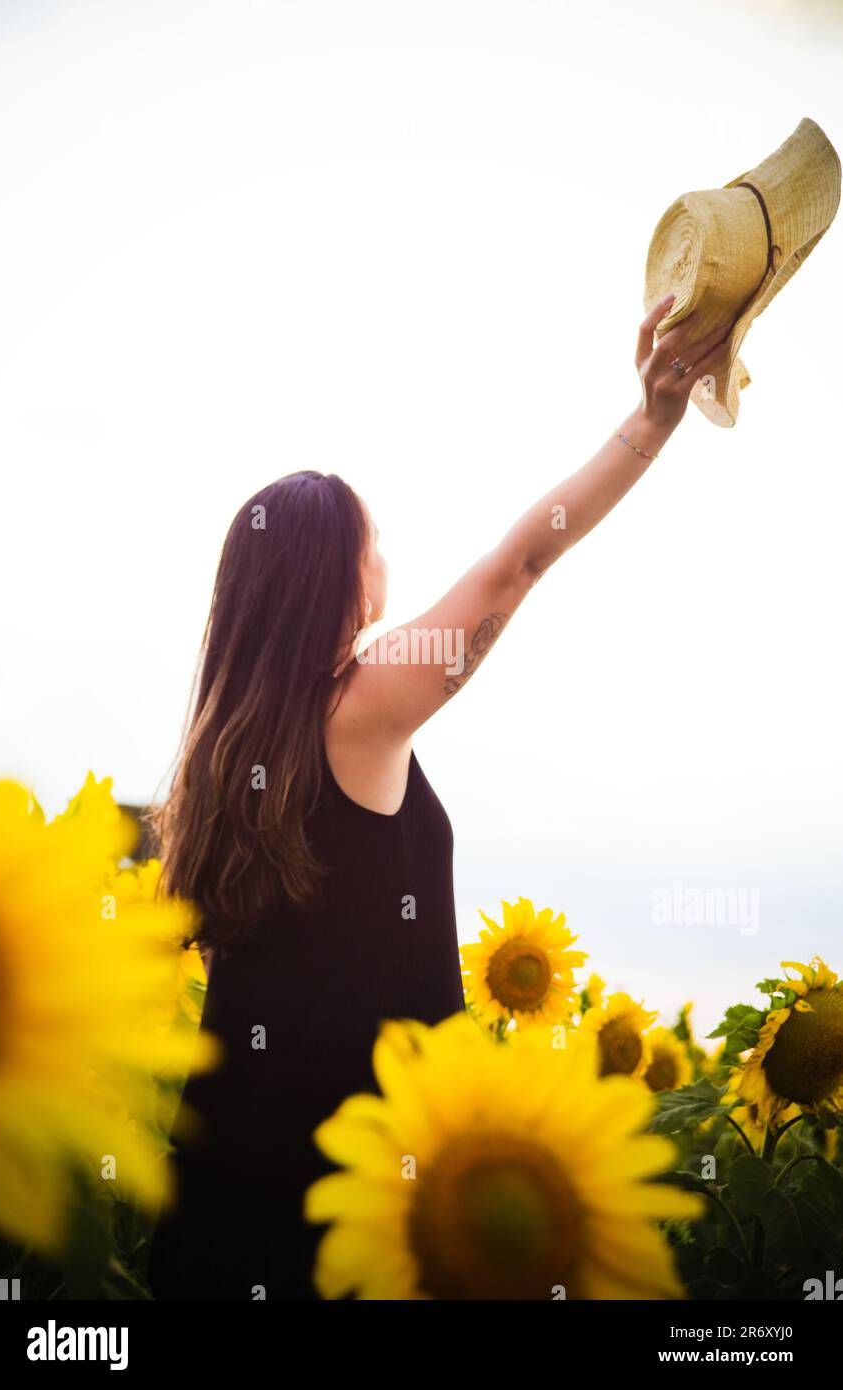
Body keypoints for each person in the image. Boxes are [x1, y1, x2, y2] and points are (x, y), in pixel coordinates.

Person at [146, 296, 729, 1299]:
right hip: (352, 1201)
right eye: (374, 546)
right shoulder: (358, 713)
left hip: (219, 1198)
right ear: (340, 578)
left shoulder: (212, 763)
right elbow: (518, 562)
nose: (387, 563)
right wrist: (648, 423)